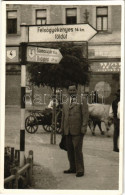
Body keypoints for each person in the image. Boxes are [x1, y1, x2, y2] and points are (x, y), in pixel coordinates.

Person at [61, 85, 89, 177]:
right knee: (69, 150)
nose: (72, 92)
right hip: (67, 129)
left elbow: (85, 115)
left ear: (76, 91)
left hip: (78, 130)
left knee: (77, 150)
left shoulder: (82, 100)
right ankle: (72, 168)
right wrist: (62, 128)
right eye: (70, 90)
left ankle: (80, 169)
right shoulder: (66, 101)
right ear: (68, 91)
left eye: (73, 90)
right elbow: (63, 116)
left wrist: (84, 127)